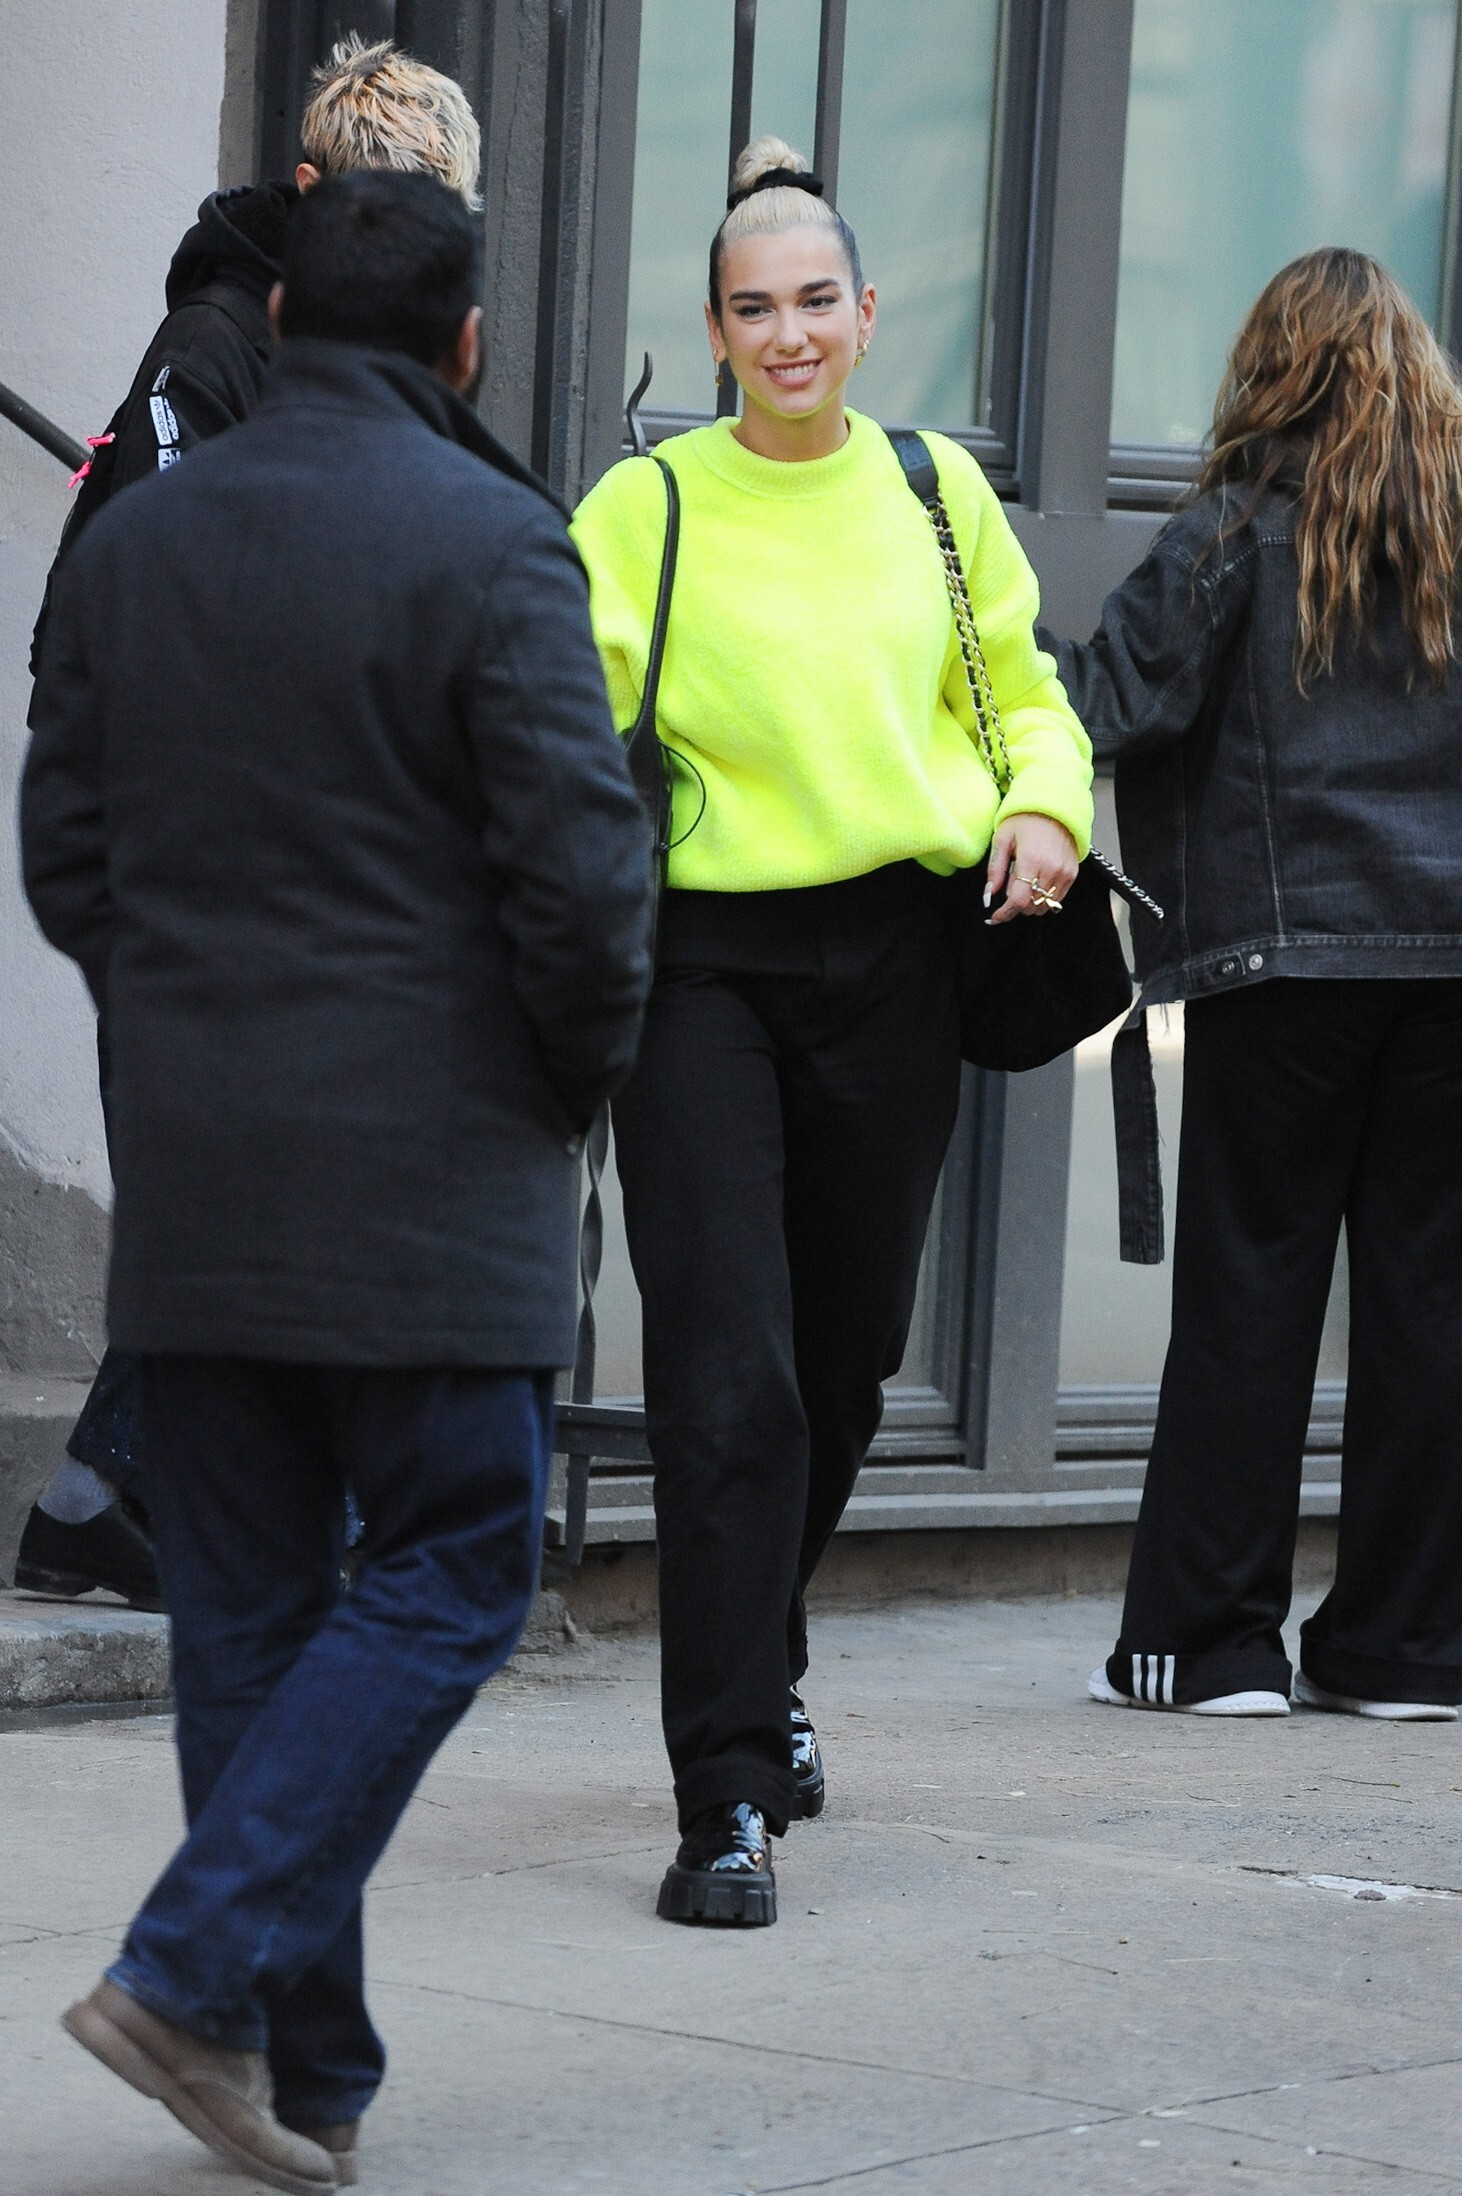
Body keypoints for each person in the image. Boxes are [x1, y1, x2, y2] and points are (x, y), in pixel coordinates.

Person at [22, 172, 651, 2190]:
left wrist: (191, 1026)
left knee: (250, 1617)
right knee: (457, 1569)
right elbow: (584, 896)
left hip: (199, 1179)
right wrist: (558, 1089)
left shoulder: (141, 539)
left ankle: (312, 2078)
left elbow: (65, 857)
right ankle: (189, 1975)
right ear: (464, 343)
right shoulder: (500, 542)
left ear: (280, 320)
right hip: (432, 1192)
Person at [572, 136, 1093, 1926]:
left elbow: (1025, 697)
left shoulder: (938, 493)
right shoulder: (644, 507)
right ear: (713, 331)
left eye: (814, 302)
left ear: (865, 316)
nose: (786, 334)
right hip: (699, 967)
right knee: (726, 1380)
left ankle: (760, 1643)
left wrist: (1046, 808)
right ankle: (725, 1789)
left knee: (844, 1364)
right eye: (752, 308)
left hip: (898, 956)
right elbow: (551, 726)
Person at [16, 32, 485, 1612]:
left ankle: (108, 1501)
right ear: (306, 195)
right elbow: (117, 611)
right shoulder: (213, 351)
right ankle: (136, 1506)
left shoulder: (378, 371)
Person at [1047, 248, 1462, 1721]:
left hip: (1282, 967)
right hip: (1449, 968)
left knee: (1251, 1289)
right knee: (1429, 1304)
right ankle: (1409, 1651)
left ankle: (1210, 1645)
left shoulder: (1235, 526)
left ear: (1272, 367)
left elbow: (1107, 700)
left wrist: (967, 624)